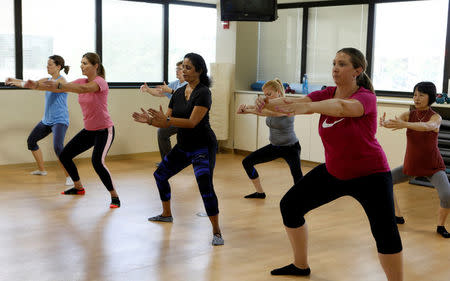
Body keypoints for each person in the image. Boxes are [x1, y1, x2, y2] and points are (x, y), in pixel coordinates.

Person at [256, 48, 403, 280]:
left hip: (370, 175)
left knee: (385, 232)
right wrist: (266, 104)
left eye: (342, 64)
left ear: (358, 70)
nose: (335, 67)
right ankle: (300, 265)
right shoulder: (326, 93)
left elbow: (341, 107)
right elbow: (296, 102)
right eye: (334, 63)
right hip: (335, 171)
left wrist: (308, 107)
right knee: (290, 206)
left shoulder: (366, 97)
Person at [132, 53, 223, 246]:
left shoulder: (203, 92)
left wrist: (165, 120)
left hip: (202, 147)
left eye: (188, 67)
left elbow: (192, 122)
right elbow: (167, 123)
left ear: (199, 70)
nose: (184, 71)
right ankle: (166, 214)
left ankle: (216, 231)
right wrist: (150, 121)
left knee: (205, 186)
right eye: (183, 68)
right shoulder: (179, 93)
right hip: (184, 146)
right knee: (160, 175)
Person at [22, 52, 120, 209]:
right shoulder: (81, 80)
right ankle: (78, 187)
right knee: (65, 155)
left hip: (104, 130)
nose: (82, 65)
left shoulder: (100, 82)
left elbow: (82, 89)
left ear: (95, 66)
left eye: (85, 63)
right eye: (81, 63)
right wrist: (34, 85)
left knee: (97, 162)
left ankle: (114, 196)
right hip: (89, 130)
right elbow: (58, 87)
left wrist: (60, 85)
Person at [380, 81, 450, 238]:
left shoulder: (436, 117)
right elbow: (395, 123)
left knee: (447, 195)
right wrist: (385, 123)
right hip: (412, 165)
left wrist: (405, 124)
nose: (416, 98)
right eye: (415, 95)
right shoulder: (409, 114)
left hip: (433, 166)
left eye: (421, 95)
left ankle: (441, 226)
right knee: (385, 182)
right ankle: (398, 215)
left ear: (430, 97)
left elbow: (427, 127)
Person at [6, 55, 73, 186]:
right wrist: (13, 80)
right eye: (47, 64)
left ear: (58, 67)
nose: (47, 67)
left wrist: (27, 84)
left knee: (58, 148)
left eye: (50, 65)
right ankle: (42, 170)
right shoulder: (47, 79)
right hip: (47, 120)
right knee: (31, 141)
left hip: (60, 120)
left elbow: (37, 86)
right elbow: (33, 83)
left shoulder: (62, 82)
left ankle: (70, 176)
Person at [237, 78, 302, 199]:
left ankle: (303, 199)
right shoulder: (269, 105)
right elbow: (261, 109)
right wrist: (244, 107)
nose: (266, 97)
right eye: (265, 94)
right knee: (247, 162)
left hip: (291, 148)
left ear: (278, 92)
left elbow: (269, 113)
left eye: (269, 94)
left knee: (297, 175)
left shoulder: (287, 105)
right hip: (275, 147)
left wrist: (248, 111)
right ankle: (260, 192)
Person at [140, 61, 187, 166]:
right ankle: (168, 162)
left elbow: (184, 98)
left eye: (179, 69)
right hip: (174, 118)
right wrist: (148, 89)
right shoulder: (175, 83)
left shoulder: (188, 85)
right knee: (162, 132)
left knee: (164, 132)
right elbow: (160, 92)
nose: (177, 71)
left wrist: (170, 90)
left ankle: (170, 161)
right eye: (176, 69)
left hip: (186, 119)